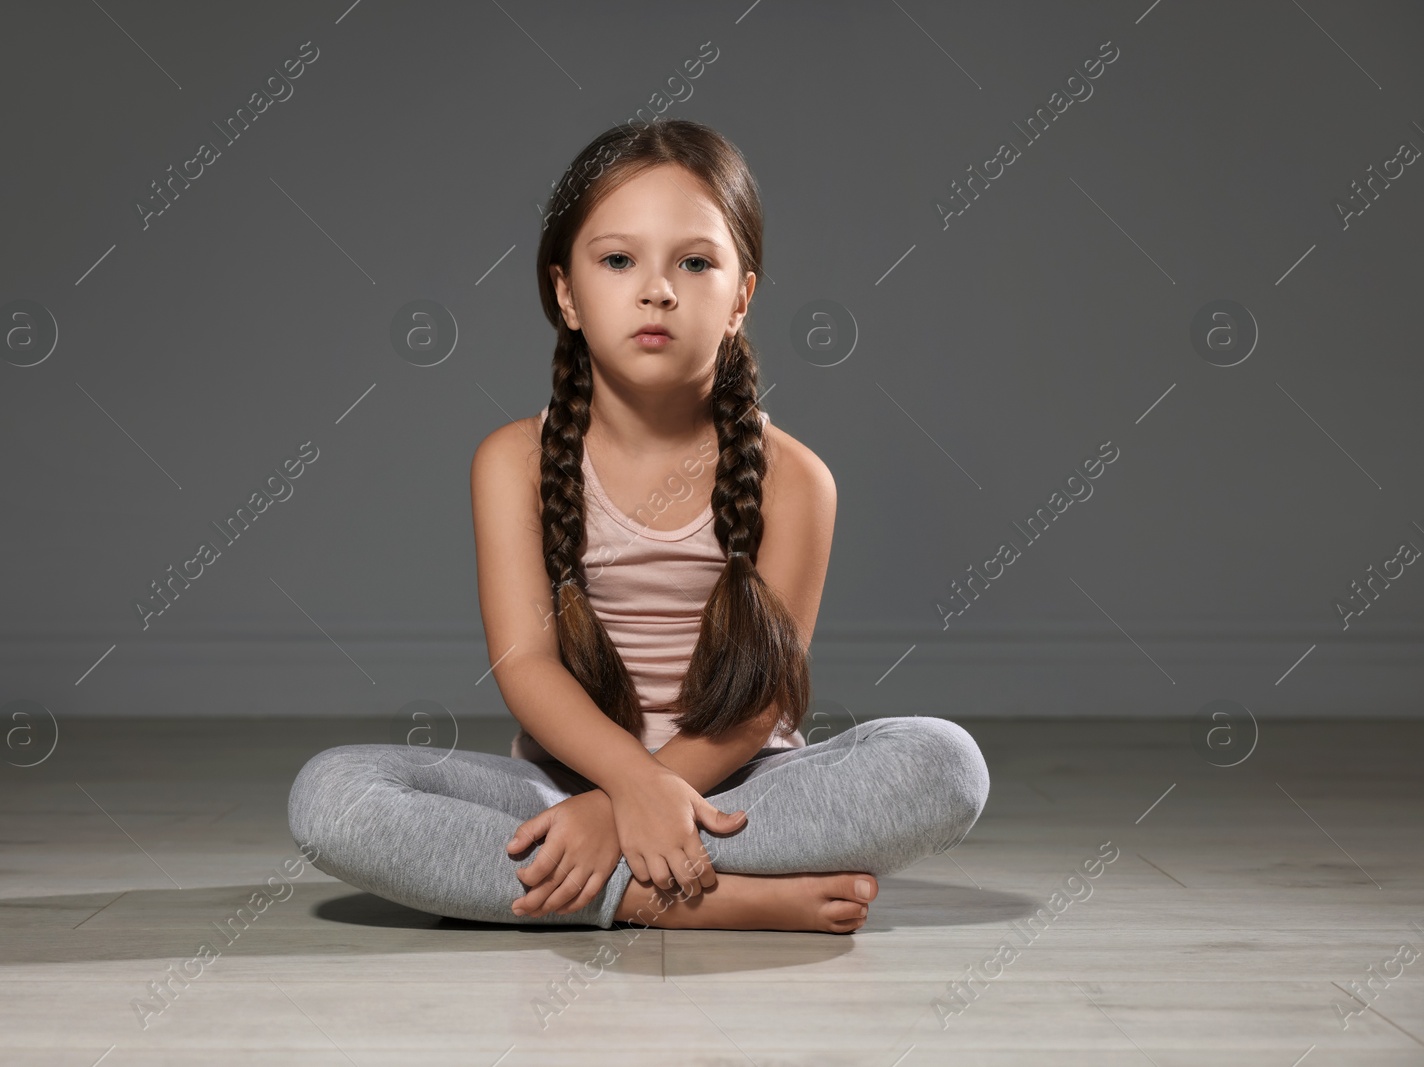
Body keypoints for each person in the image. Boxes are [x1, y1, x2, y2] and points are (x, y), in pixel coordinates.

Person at [287, 118, 989, 934]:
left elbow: (761, 701)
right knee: (331, 794)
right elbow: (526, 669)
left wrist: (633, 805)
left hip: (745, 789)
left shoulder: (798, 478)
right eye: (618, 260)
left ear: (741, 298)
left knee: (946, 763)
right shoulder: (511, 459)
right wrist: (621, 788)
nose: (658, 289)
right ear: (566, 293)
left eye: (695, 262)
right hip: (561, 786)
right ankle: (681, 900)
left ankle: (607, 876)